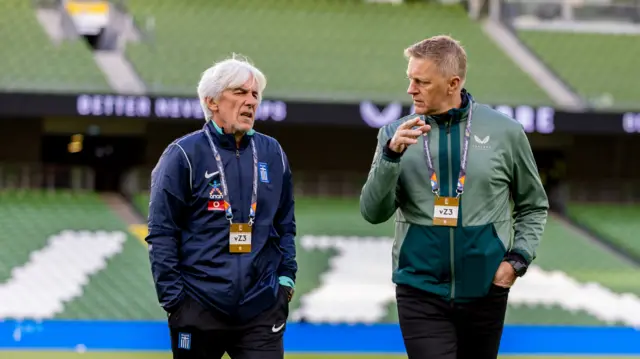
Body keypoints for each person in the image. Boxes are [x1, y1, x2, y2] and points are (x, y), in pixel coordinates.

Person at [359, 35, 549, 359]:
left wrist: (516, 261)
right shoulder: (394, 134)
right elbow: (373, 212)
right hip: (419, 289)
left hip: (486, 289)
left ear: (453, 83)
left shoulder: (506, 132)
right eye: (410, 79)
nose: (411, 89)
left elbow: (534, 205)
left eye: (421, 81)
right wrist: (391, 158)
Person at [145, 55, 297, 359]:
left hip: (261, 309)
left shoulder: (273, 153)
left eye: (255, 94)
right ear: (212, 102)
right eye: (240, 92)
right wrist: (176, 303)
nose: (251, 101)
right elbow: (161, 234)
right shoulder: (182, 155)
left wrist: (285, 282)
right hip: (198, 308)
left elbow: (285, 225)